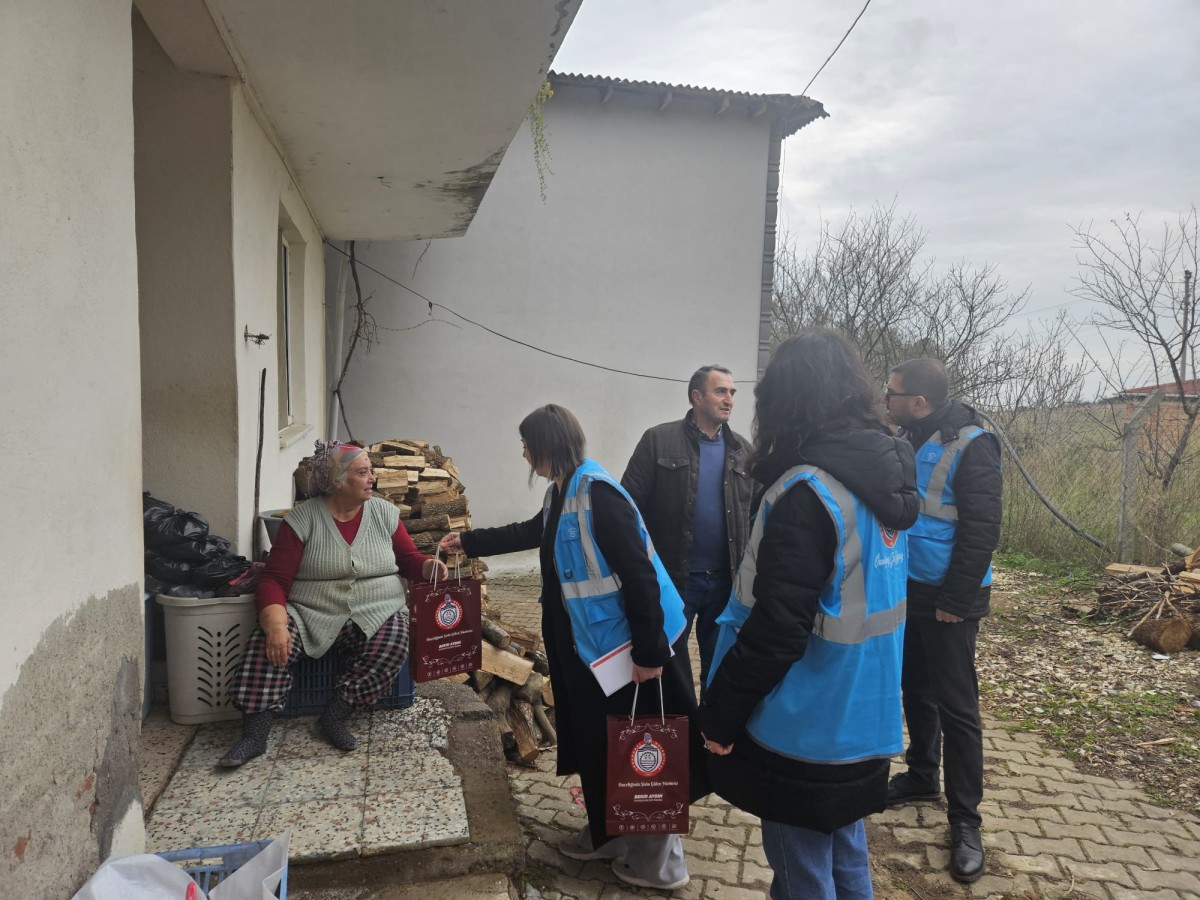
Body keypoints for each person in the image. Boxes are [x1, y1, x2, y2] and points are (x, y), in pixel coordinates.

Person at [439, 405, 704, 892]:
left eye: (526, 444)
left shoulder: (600, 494)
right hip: (589, 651)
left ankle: (657, 861)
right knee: (601, 741)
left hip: (630, 653)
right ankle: (609, 833)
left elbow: (642, 576)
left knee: (639, 744)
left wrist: (649, 655)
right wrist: (469, 542)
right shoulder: (561, 490)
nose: (522, 453)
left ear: (546, 444)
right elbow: (529, 532)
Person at [696, 330, 919, 900]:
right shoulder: (882, 480)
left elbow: (777, 628)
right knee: (847, 853)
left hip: (805, 725)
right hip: (866, 719)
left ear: (787, 400)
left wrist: (720, 715)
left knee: (800, 871)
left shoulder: (806, 490)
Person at [219, 441, 447, 767]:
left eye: (371, 471)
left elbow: (409, 560)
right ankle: (254, 736)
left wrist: (427, 567)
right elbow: (274, 581)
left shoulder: (383, 513)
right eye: (363, 472)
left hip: (378, 607)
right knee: (267, 645)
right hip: (312, 610)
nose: (373, 479)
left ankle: (336, 715)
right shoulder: (302, 519)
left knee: (395, 640)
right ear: (338, 481)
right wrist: (276, 626)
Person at [882, 357, 1002, 884]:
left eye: (892, 393)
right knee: (915, 688)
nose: (886, 400)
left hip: (952, 596)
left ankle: (966, 822)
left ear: (919, 400)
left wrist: (955, 598)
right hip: (911, 586)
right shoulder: (912, 434)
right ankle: (922, 775)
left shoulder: (974, 444)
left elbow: (982, 529)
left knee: (958, 707)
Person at [621, 364, 753, 698]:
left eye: (732, 392)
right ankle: (676, 740)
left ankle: (710, 738)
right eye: (720, 391)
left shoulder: (743, 451)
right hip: (673, 581)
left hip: (726, 582)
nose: (729, 400)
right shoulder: (658, 440)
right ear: (697, 396)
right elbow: (626, 510)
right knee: (668, 670)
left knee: (720, 667)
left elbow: (756, 513)